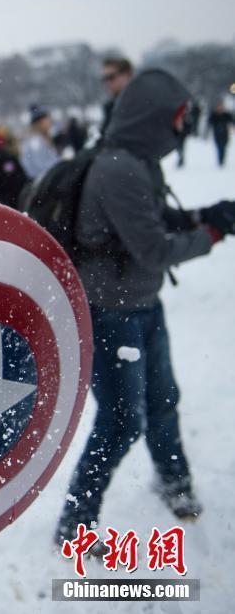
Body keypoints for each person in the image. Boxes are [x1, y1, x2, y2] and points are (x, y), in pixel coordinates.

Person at [55, 70, 235, 545]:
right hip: (109, 313)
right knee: (119, 422)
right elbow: (153, 249)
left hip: (141, 304)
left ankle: (174, 481)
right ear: (155, 120)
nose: (181, 130)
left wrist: (202, 215)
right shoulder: (119, 168)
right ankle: (75, 522)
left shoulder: (139, 162)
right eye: (177, 120)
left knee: (163, 401)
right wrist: (211, 235)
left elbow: (152, 220)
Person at [19, 104, 61, 179]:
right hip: (42, 182)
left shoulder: (43, 137)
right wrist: (60, 164)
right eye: (46, 120)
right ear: (39, 123)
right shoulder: (35, 142)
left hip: (49, 178)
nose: (49, 122)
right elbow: (41, 167)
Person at [100, 57, 134, 140]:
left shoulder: (141, 103)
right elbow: (105, 141)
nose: (108, 83)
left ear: (126, 75)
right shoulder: (110, 107)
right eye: (105, 79)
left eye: (111, 77)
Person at [207, 100, 233, 167]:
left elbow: (232, 121)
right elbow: (209, 122)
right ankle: (220, 161)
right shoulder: (214, 115)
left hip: (225, 134)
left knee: (223, 147)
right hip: (217, 134)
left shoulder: (226, 115)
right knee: (219, 147)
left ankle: (222, 160)